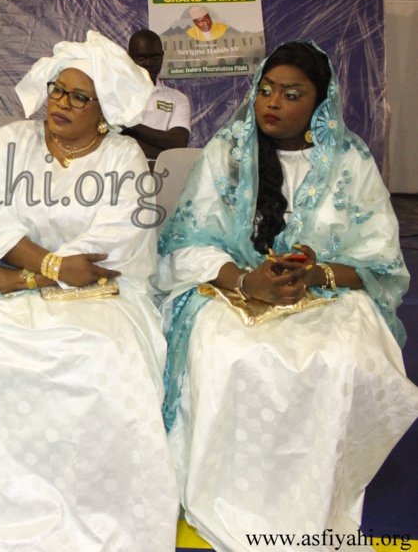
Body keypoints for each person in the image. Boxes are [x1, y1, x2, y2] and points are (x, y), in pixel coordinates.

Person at [158, 41, 418, 552]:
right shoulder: (228, 152)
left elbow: (379, 261)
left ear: (319, 105)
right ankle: (225, 493)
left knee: (340, 358)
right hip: (232, 288)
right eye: (265, 90)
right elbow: (184, 242)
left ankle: (314, 494)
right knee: (226, 351)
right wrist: (244, 281)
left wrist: (316, 271)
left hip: (324, 295)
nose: (271, 103)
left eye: (290, 94)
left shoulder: (349, 159)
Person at [0, 31, 178, 551]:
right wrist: (49, 265)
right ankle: (8, 500)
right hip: (11, 287)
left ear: (103, 111)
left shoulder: (123, 158)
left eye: (79, 96)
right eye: (56, 89)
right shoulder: (11, 141)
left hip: (103, 297)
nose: (61, 103)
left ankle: (96, 501)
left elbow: (110, 251)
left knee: (104, 355)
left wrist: (26, 275)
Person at [121, 29, 191, 161]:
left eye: (155, 57)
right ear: (129, 58)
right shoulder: (115, 93)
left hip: (161, 174)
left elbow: (178, 144)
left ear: (162, 56)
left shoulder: (177, 98)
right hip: (121, 173)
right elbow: (107, 143)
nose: (149, 63)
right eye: (141, 58)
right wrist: (162, 151)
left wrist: (130, 126)